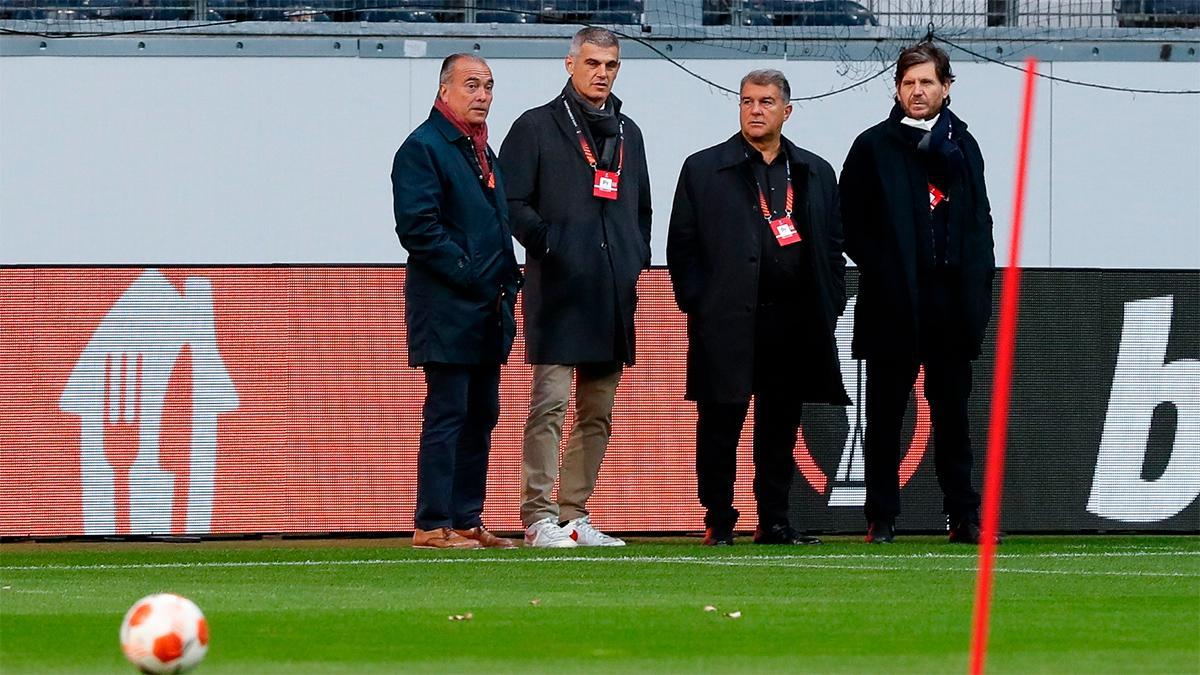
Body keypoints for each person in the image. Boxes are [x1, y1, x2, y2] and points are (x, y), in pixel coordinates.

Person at [667, 69, 850, 546]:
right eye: (747, 101)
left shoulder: (814, 171)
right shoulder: (704, 168)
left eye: (766, 102)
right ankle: (719, 520)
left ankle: (774, 520)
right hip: (726, 319)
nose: (755, 110)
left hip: (792, 321)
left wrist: (828, 306)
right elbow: (682, 249)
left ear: (786, 111)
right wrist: (700, 306)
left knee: (780, 428)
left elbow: (832, 248)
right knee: (720, 425)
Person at [499, 27, 652, 548]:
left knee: (598, 411)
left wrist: (634, 259)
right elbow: (513, 203)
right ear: (570, 65)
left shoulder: (629, 131)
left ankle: (574, 515)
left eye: (610, 64)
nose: (601, 73)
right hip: (560, 290)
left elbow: (642, 209)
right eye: (592, 63)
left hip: (611, 294)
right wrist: (552, 245)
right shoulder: (536, 126)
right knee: (549, 406)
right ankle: (537, 515)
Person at [839, 43, 996, 545]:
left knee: (953, 417)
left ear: (946, 87)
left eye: (927, 82)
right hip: (892, 305)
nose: (917, 91)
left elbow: (979, 223)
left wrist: (976, 290)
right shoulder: (872, 146)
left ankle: (963, 517)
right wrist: (885, 269)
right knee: (884, 417)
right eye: (909, 83)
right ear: (897, 88)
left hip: (950, 306)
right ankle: (881, 516)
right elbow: (848, 223)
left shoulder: (964, 146)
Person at [392, 54, 522, 550]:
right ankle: (432, 523)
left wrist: (505, 281)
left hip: (488, 306)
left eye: (489, 85)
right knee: (448, 412)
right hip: (447, 305)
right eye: (472, 85)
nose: (483, 95)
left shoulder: (484, 151)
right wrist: (473, 274)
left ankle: (467, 517)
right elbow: (418, 229)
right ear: (444, 90)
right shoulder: (423, 148)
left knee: (481, 413)